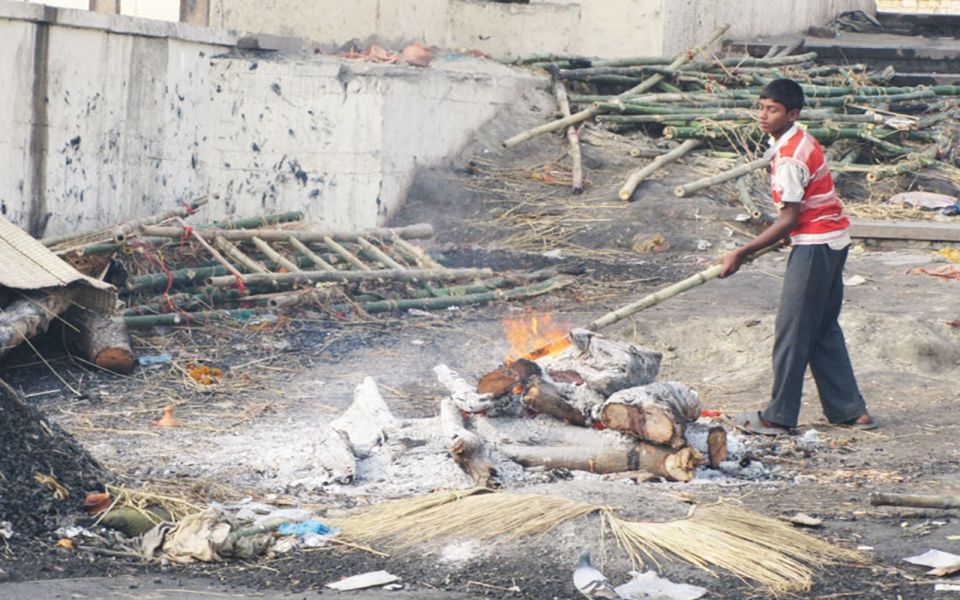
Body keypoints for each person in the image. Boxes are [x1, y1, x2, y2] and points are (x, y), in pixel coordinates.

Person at [720, 78, 876, 435]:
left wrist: (742, 251)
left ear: (792, 113)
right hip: (832, 240)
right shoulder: (798, 139)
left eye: (772, 110)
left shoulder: (790, 156)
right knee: (822, 328)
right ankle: (851, 411)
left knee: (791, 331)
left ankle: (779, 415)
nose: (763, 115)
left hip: (817, 246)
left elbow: (788, 218)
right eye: (761, 107)